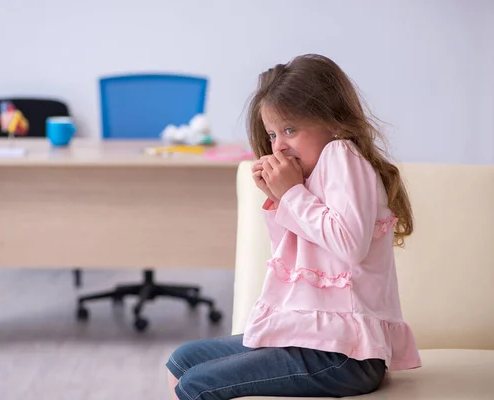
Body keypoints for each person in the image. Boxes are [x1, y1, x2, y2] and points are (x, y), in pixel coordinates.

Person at [165, 54, 422, 400]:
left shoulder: (341, 155)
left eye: (290, 130)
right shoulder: (312, 177)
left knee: (197, 384)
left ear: (336, 123)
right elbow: (292, 256)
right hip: (312, 340)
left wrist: (291, 193)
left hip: (346, 355)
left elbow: (350, 244)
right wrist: (280, 196)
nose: (280, 145)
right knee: (181, 361)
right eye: (272, 134)